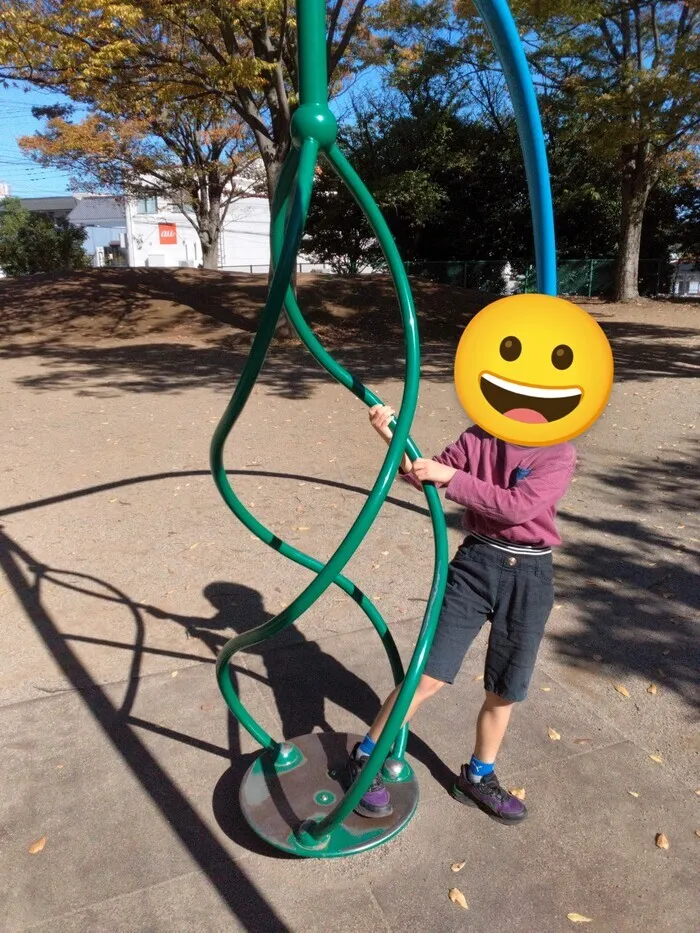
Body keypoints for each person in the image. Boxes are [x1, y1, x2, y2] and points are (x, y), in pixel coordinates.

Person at [346, 403, 577, 824]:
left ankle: (478, 776)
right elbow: (425, 474)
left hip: (530, 575)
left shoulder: (558, 451)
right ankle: (365, 756)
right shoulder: (480, 435)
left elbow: (516, 507)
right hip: (477, 566)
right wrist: (390, 434)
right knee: (427, 674)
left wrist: (452, 477)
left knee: (505, 688)